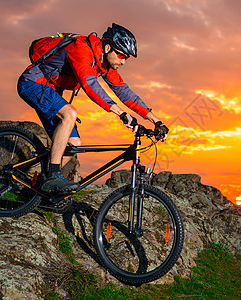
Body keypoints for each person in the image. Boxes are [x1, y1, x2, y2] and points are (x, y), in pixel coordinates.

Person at [17, 23, 169, 193]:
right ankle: (53, 175)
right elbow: (89, 84)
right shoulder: (81, 50)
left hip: (51, 91)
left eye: (126, 58)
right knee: (70, 113)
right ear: (107, 47)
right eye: (121, 55)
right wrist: (121, 113)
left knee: (74, 143)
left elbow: (125, 92)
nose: (123, 61)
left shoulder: (103, 64)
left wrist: (156, 121)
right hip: (32, 84)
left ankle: (38, 189)